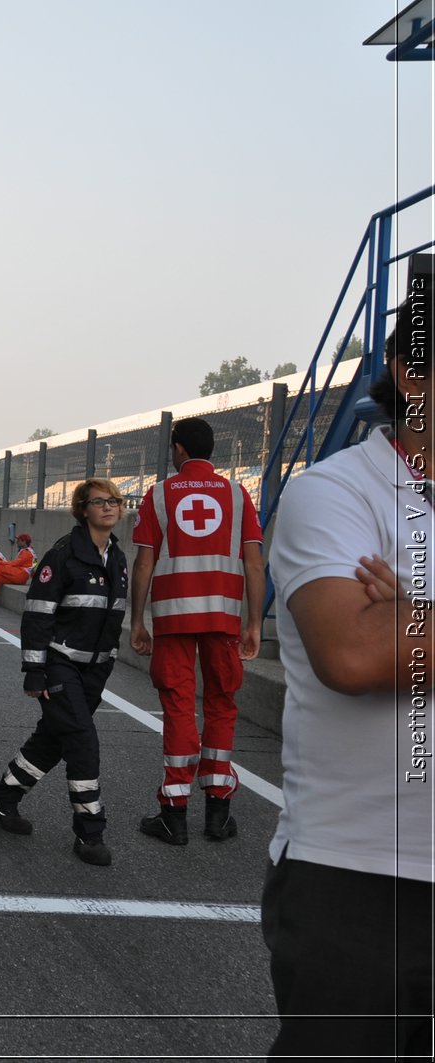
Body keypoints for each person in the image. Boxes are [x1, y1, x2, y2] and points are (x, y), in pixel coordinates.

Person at [260, 297, 431, 1059]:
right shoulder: (333, 492)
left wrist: (413, 615)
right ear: (410, 371)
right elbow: (357, 654)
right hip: (365, 880)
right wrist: (389, 630)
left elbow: (397, 642)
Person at [130, 416, 265, 846]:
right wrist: (255, 623)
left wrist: (138, 620)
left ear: (180, 449)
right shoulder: (238, 495)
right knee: (222, 703)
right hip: (224, 617)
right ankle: (218, 814)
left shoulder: (161, 494)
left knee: (178, 706)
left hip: (172, 617)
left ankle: (174, 813)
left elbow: (144, 562)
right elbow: (255, 563)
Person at [0, 478, 129, 867]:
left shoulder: (118, 557)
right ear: (82, 509)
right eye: (99, 501)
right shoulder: (63, 555)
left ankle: (2, 800)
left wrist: (109, 658)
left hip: (96, 670)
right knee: (82, 741)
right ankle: (90, 831)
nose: (109, 507)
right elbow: (37, 616)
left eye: (114, 500)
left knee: (52, 741)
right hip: (61, 665)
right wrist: (35, 671)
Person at [0, 532, 36, 606]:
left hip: (21, 574)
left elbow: (15, 563)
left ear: (24, 541)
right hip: (19, 574)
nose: (17, 542)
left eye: (19, 540)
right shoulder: (30, 552)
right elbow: (34, 566)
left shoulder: (27, 552)